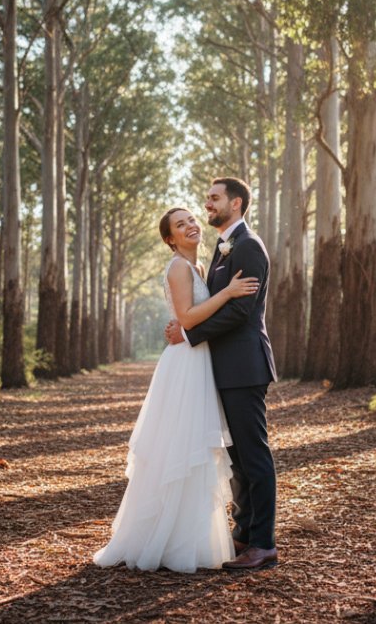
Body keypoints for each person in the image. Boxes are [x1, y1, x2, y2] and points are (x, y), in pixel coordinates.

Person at [93, 207, 260, 573]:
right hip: (184, 364)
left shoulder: (199, 268)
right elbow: (186, 318)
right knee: (180, 446)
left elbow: (195, 319)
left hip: (200, 360)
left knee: (196, 447)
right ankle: (162, 537)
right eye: (180, 225)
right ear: (170, 239)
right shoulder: (179, 267)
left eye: (191, 220)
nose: (190, 226)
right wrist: (231, 292)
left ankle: (193, 536)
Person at [166, 177, 279, 570]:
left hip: (245, 366)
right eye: (207, 199)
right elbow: (213, 302)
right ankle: (243, 534)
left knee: (254, 456)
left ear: (236, 203)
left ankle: (263, 544)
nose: (208, 204)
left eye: (214, 199)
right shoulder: (222, 247)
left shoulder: (247, 246)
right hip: (223, 368)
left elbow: (239, 311)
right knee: (238, 461)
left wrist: (189, 332)